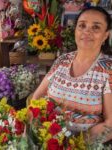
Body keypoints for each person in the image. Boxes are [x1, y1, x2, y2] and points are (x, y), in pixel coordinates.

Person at [32, 6, 112, 142]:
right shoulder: (62, 61)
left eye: (96, 27)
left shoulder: (108, 69)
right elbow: (37, 97)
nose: (87, 31)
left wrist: (75, 144)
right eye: (82, 25)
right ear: (75, 30)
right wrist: (38, 132)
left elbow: (110, 124)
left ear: (106, 35)